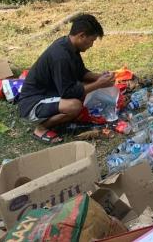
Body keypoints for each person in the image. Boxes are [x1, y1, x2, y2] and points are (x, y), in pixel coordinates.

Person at [18, 14, 115, 144]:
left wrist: (100, 77)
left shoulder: (69, 46)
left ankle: (60, 116)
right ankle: (41, 128)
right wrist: (99, 84)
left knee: (87, 86)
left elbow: (81, 72)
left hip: (51, 94)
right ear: (81, 36)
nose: (91, 45)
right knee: (74, 106)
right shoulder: (60, 57)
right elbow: (68, 92)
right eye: (91, 40)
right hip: (33, 103)